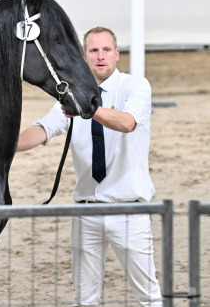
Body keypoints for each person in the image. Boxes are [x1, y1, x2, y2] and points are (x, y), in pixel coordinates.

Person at [17, 27, 162, 306]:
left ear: (117, 54)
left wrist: (86, 109)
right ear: (84, 57)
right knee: (84, 300)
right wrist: (1, 146)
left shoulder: (135, 86)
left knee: (149, 297)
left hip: (128, 210)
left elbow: (127, 122)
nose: (100, 56)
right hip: (86, 211)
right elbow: (43, 129)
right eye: (94, 51)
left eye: (106, 49)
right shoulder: (72, 96)